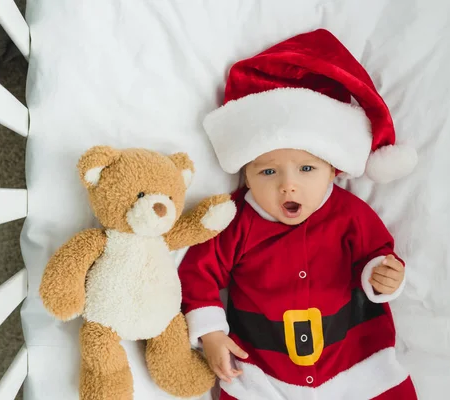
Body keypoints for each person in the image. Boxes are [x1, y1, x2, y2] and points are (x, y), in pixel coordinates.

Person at [177, 29, 419, 400]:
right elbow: (198, 273)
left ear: (333, 170)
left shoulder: (349, 213)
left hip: (354, 361)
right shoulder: (236, 219)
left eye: (306, 169)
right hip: (263, 369)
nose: (288, 186)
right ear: (246, 174)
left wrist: (383, 274)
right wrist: (210, 333)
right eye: (268, 172)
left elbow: (377, 255)